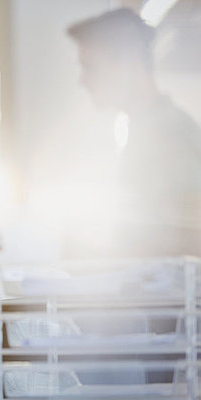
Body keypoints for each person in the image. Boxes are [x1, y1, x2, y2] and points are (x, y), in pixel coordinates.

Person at [67, 8, 201, 258]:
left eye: (90, 66)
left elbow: (193, 241)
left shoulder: (171, 135)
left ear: (128, 64)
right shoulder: (143, 131)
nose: (82, 80)